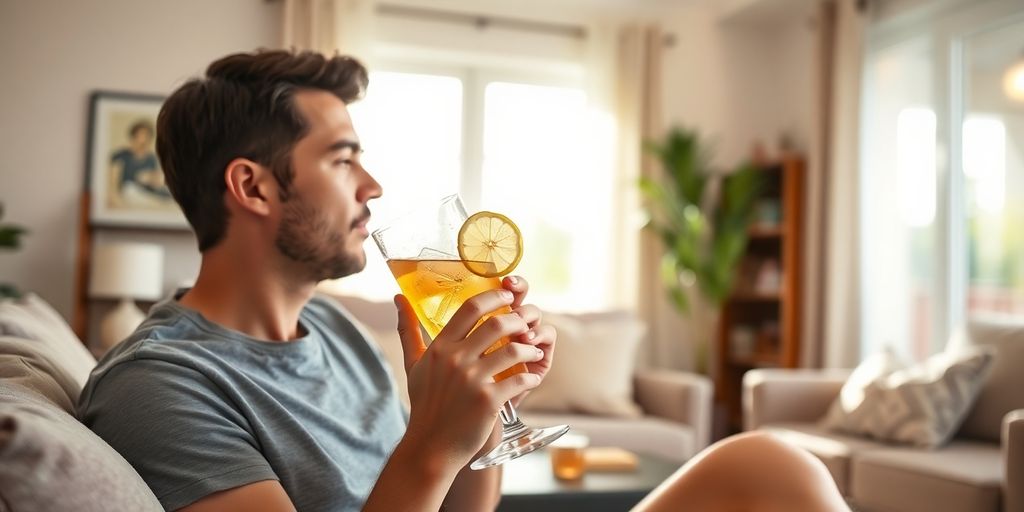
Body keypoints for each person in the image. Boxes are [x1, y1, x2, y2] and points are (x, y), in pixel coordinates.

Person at [77, 49, 849, 512]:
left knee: (767, 461)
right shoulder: (164, 384)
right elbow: (423, 468)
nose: (372, 185)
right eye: (343, 159)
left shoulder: (340, 331)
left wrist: (486, 416)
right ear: (252, 188)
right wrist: (430, 437)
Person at [108, 119, 173, 207]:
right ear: (133, 138)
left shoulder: (151, 158)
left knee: (167, 191)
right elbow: (114, 177)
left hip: (147, 190)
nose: (142, 141)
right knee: (129, 189)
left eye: (146, 137)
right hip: (130, 190)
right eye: (139, 137)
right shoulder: (122, 155)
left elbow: (155, 180)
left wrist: (151, 179)